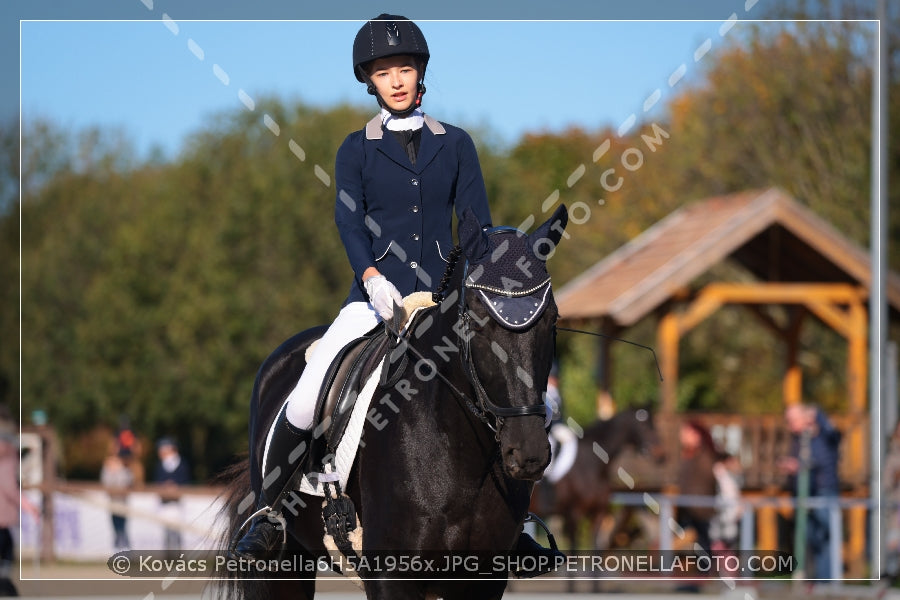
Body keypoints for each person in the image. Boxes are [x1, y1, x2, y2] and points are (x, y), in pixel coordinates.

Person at [233, 15, 561, 572]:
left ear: (420, 73)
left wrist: (483, 279)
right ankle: (267, 514)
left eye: (405, 69)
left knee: (512, 389)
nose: (397, 80)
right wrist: (372, 280)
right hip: (373, 300)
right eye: (385, 72)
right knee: (310, 388)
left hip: (445, 301)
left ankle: (514, 526)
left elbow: (475, 226)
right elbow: (350, 224)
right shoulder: (354, 150)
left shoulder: (456, 144)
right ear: (370, 80)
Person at [778, 403, 841, 579]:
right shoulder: (798, 438)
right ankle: (811, 580)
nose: (789, 424)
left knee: (824, 538)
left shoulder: (822, 434)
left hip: (822, 491)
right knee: (808, 538)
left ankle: (826, 582)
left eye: (792, 420)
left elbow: (822, 459)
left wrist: (800, 466)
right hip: (803, 493)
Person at [676, 419, 719, 555]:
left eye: (686, 433)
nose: (682, 436)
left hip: (701, 512)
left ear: (697, 435)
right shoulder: (688, 455)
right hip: (687, 511)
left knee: (703, 548)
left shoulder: (704, 457)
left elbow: (707, 481)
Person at [154, 437, 191, 551]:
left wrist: (176, 487)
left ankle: (178, 557)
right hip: (165, 503)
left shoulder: (182, 464)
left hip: (178, 503)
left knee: (177, 531)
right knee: (167, 532)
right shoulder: (160, 465)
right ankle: (168, 558)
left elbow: (185, 481)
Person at [101, 449, 134, 552]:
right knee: (115, 528)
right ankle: (116, 550)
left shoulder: (125, 471)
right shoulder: (107, 471)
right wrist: (110, 471)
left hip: (122, 503)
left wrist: (118, 470)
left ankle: (126, 550)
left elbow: (125, 483)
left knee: (123, 528)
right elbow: (106, 483)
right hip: (112, 504)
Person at [0, 407, 18, 597]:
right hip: (2, 516)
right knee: (7, 549)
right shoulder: (8, 455)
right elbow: (9, 487)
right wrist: (28, 505)